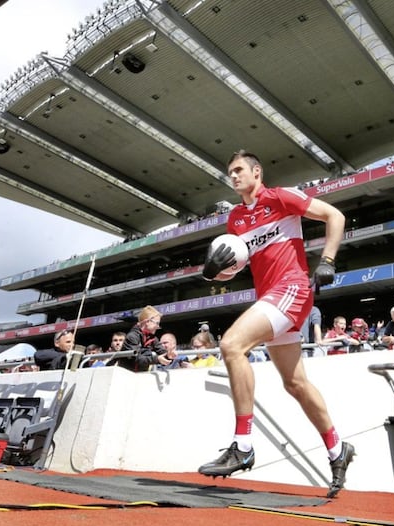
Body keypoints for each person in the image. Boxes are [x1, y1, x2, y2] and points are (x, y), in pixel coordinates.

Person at [197, 150, 353, 498]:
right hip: (271, 297)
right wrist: (214, 272)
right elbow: (233, 266)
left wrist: (327, 260)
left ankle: (243, 444)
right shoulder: (235, 220)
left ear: (257, 171)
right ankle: (337, 449)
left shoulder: (280, 197)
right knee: (295, 384)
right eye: (230, 172)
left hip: (293, 290)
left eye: (238, 170)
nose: (233, 176)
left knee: (231, 345)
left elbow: (334, 215)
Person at [120, 305, 168, 372]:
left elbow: (163, 352)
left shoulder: (153, 338)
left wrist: (169, 355)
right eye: (157, 323)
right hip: (126, 376)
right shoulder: (132, 337)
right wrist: (156, 359)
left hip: (141, 375)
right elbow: (136, 359)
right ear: (147, 322)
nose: (158, 327)